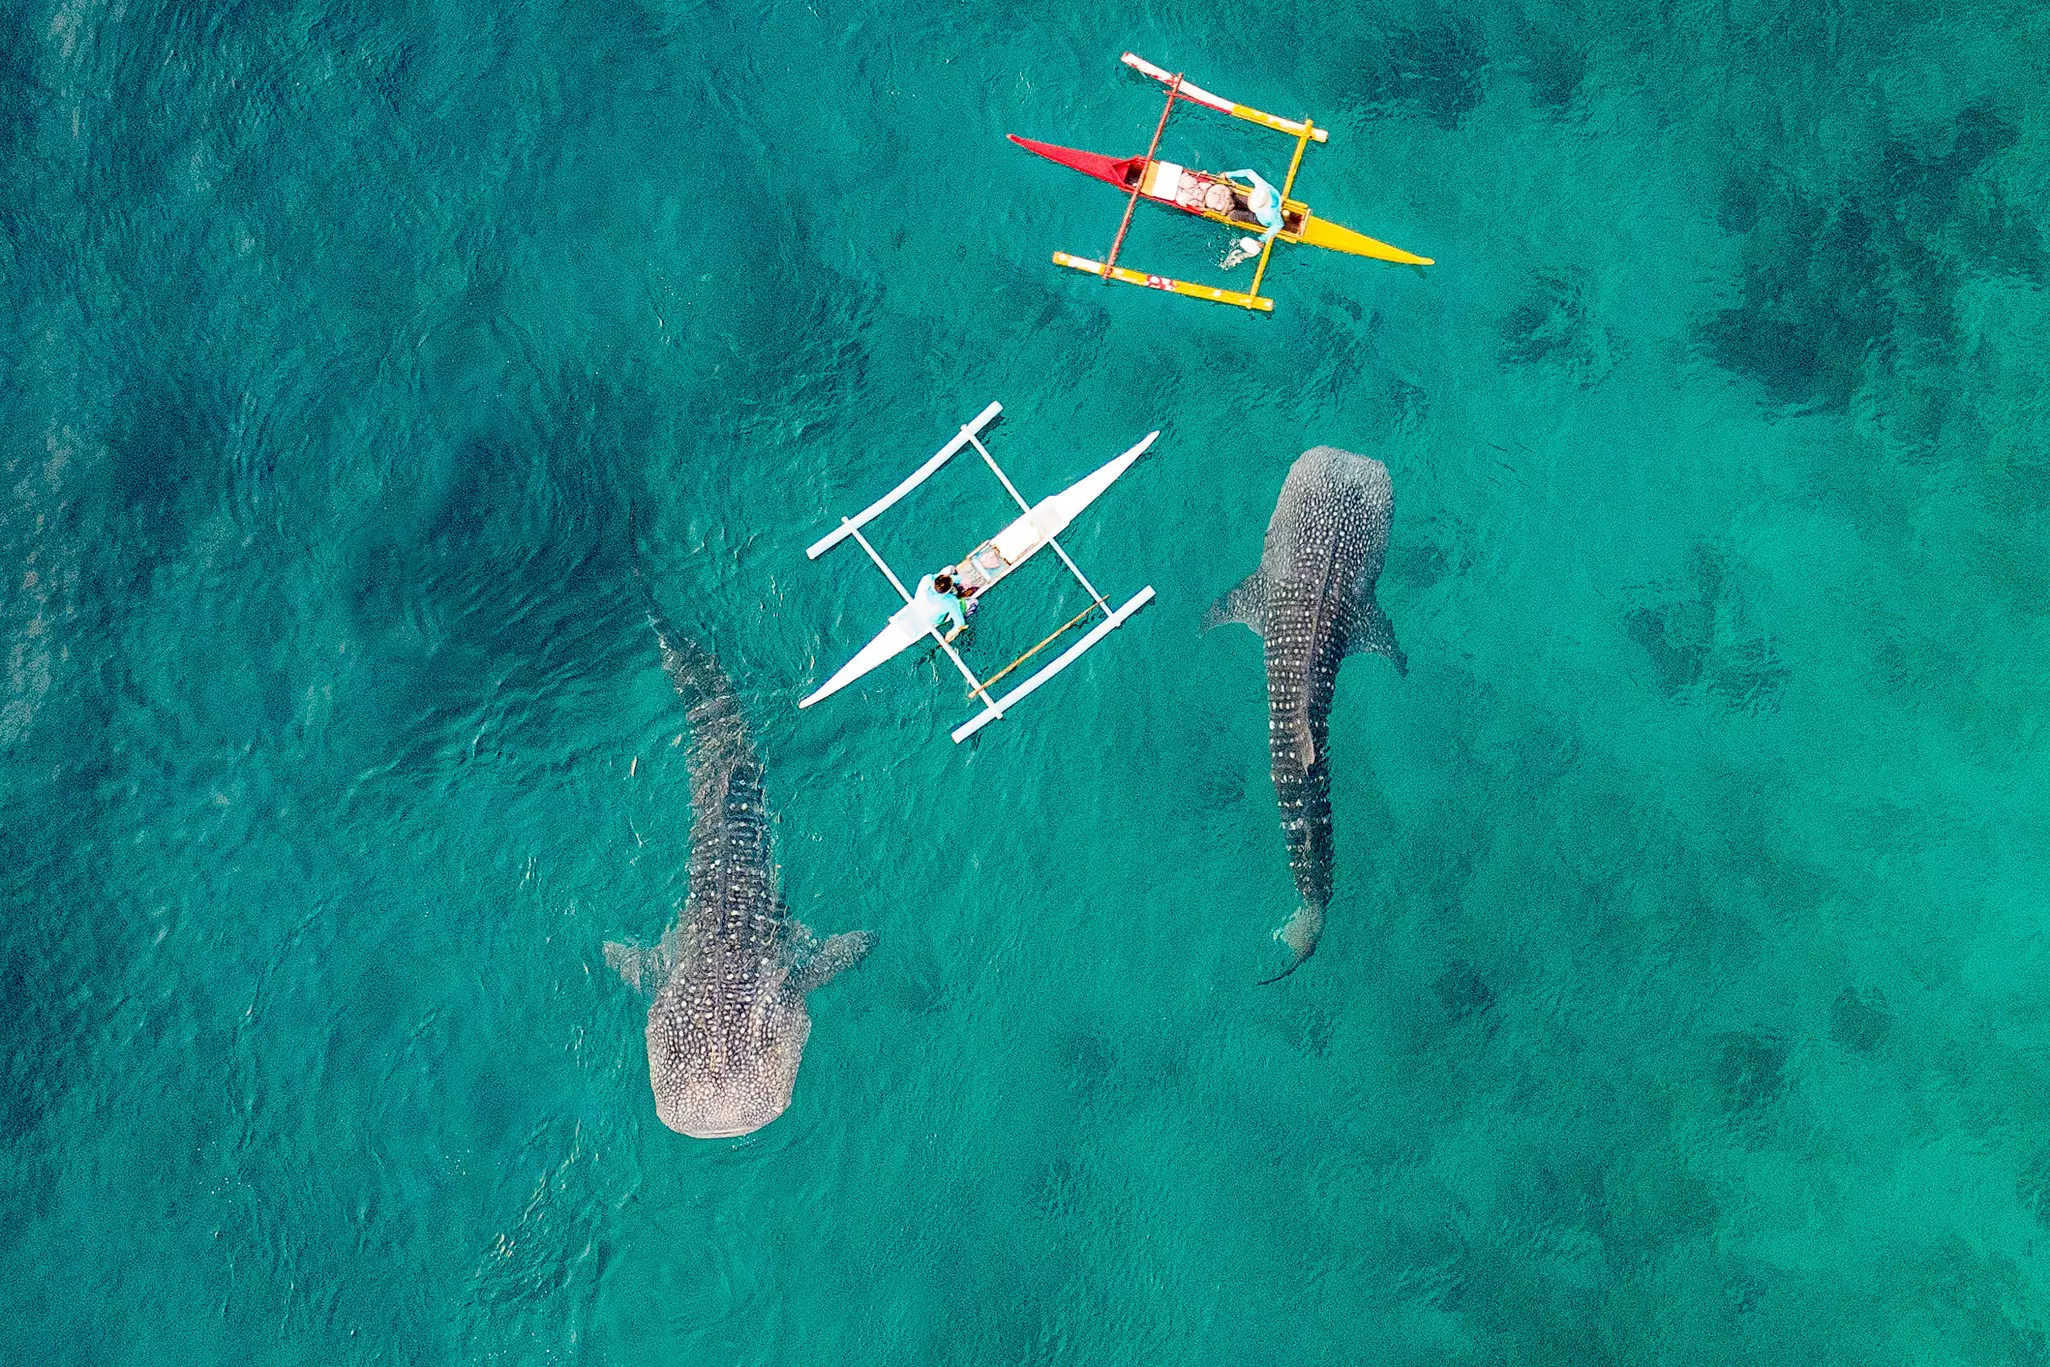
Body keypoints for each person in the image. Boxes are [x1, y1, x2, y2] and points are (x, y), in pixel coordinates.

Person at [1220, 167, 1284, 269]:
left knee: (1233, 215)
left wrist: (1262, 239)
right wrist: (1227, 175)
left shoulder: (1270, 214)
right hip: (1260, 209)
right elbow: (1248, 172)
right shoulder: (1263, 187)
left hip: (1259, 220)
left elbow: (1279, 225)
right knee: (1235, 196)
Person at [913, 571, 969, 641]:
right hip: (934, 620)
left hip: (917, 606)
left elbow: (942, 578)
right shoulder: (950, 601)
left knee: (950, 569)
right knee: (972, 603)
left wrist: (957, 578)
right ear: (948, 590)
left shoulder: (927, 579)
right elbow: (960, 624)